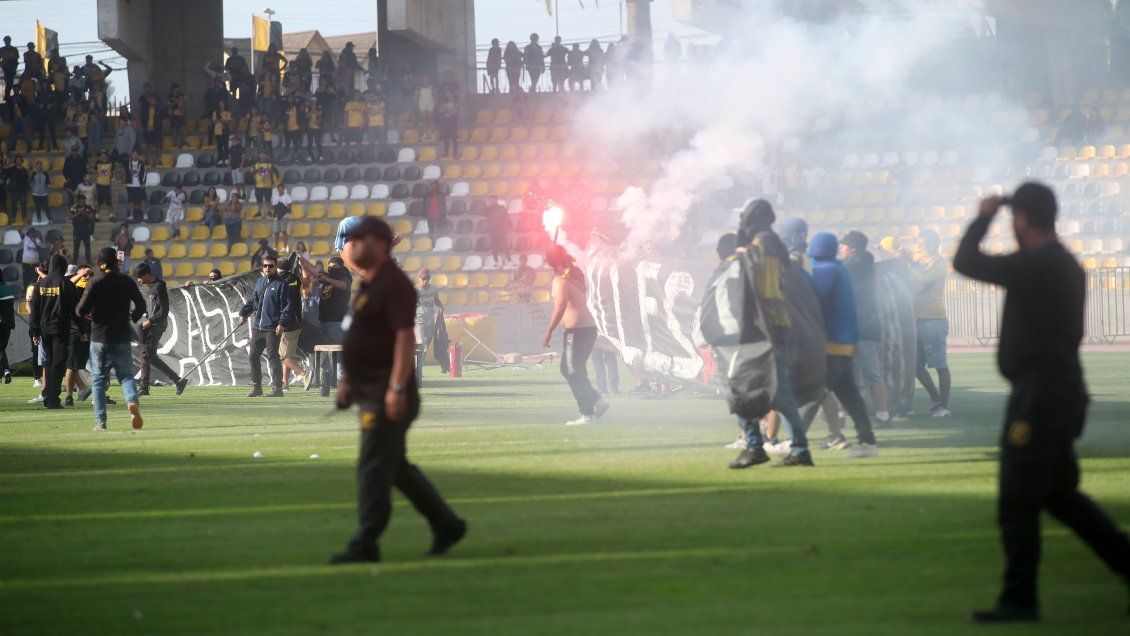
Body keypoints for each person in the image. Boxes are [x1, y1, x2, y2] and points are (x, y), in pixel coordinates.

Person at [954, 183, 1130, 623]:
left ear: (1021, 219)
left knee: (1018, 497)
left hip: (1041, 397)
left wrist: (982, 217)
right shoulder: (1060, 263)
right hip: (1057, 392)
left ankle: (1019, 600)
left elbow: (966, 261)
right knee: (1060, 496)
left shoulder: (1041, 264)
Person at [329, 216, 466, 564]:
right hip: (371, 387)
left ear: (378, 243)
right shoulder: (372, 283)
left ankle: (366, 542)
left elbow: (404, 338)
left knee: (373, 467)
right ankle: (446, 524)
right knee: (395, 468)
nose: (352, 246)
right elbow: (362, 336)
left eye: (359, 240)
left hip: (387, 391)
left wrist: (395, 388)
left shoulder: (394, 285)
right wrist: (348, 379)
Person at [729, 200, 813, 468]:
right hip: (774, 324)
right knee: (772, 391)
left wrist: (741, 254)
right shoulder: (772, 242)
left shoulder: (760, 244)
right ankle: (786, 447)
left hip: (763, 328)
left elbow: (750, 276)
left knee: (745, 388)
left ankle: (760, 446)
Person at [806, 232, 879, 458]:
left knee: (813, 393)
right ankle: (867, 442)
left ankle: (796, 443)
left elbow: (812, 294)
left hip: (832, 343)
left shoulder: (828, 269)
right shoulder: (840, 268)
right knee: (850, 396)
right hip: (844, 341)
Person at [75, 247, 145, 431]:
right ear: (117, 262)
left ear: (98, 263)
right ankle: (131, 402)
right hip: (121, 335)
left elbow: (80, 309)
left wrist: (92, 314)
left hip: (99, 337)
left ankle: (101, 422)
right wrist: (132, 317)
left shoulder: (95, 281)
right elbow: (141, 304)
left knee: (98, 380)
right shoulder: (126, 281)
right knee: (126, 376)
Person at [542, 245, 609, 426]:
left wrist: (549, 331)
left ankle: (588, 413)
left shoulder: (561, 280)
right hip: (586, 329)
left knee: (570, 370)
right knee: (574, 369)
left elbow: (561, 305)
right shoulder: (571, 276)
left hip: (576, 331)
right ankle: (597, 401)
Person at [838, 231, 890, 426]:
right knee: (863, 375)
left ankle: (881, 415)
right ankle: (878, 415)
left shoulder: (855, 264)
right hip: (860, 328)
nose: (840, 249)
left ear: (852, 248)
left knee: (869, 375)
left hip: (860, 329)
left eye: (842, 246)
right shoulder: (862, 263)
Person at [906, 229, 951, 417]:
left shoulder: (940, 264)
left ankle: (944, 406)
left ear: (933, 244)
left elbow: (924, 278)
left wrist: (907, 265)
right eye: (919, 243)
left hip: (934, 320)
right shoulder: (920, 262)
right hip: (918, 320)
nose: (919, 247)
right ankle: (936, 399)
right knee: (915, 366)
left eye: (923, 243)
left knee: (940, 365)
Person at [238, 254, 292, 398]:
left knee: (273, 356)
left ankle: (277, 388)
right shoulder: (260, 282)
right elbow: (252, 300)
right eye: (265, 266)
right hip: (258, 326)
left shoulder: (282, 284)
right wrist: (243, 313)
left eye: (271, 266)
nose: (267, 268)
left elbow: (287, 307)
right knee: (253, 356)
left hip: (272, 327)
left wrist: (282, 323)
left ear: (275, 267)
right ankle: (257, 387)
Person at [134, 262, 188, 396]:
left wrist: (150, 321)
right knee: (148, 356)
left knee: (146, 355)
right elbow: (152, 310)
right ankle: (177, 380)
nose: (139, 281)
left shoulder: (158, 287)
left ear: (146, 275)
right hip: (151, 325)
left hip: (157, 325)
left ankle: (145, 387)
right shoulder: (151, 287)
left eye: (140, 277)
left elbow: (164, 311)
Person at [29, 254, 75, 409]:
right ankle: (52, 397)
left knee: (48, 362)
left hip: (44, 329)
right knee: (59, 362)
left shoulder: (40, 284)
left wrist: (35, 332)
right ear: (63, 267)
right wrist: (82, 329)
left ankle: (47, 394)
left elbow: (34, 311)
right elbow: (76, 310)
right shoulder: (66, 284)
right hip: (61, 329)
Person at [275, 258, 307, 387]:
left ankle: (304, 374)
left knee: (283, 357)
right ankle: (285, 382)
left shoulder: (277, 281)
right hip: (297, 321)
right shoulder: (295, 279)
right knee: (288, 355)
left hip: (286, 324)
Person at [65, 264, 93, 406]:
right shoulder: (72, 288)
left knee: (73, 365)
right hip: (76, 331)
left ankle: (83, 390)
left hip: (87, 331)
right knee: (72, 365)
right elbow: (68, 285)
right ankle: (71, 395)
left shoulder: (91, 288)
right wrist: (81, 275)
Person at [484, 195, 511, 266]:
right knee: (494, 247)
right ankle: (496, 261)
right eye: (491, 200)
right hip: (492, 231)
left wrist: (508, 227)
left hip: (501, 229)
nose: (492, 202)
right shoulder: (488, 209)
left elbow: (507, 217)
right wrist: (487, 206)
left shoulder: (501, 208)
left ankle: (509, 260)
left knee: (504, 245)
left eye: (494, 200)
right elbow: (482, 213)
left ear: (496, 200)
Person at [69, 194, 96, 263]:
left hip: (86, 231)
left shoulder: (88, 207)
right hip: (77, 231)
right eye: (81, 201)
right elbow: (70, 217)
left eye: (83, 201)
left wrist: (85, 214)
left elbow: (92, 218)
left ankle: (89, 261)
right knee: (76, 248)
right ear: (78, 201)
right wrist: (78, 213)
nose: (82, 203)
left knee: (87, 248)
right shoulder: (74, 207)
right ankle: (74, 262)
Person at [124, 149, 146, 223]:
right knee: (131, 201)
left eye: (136, 154)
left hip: (139, 184)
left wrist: (143, 182)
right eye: (133, 154)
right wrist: (126, 182)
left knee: (143, 199)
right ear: (131, 155)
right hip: (131, 184)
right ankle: (131, 215)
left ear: (138, 155)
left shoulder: (141, 163)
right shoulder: (128, 163)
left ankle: (145, 214)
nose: (135, 155)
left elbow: (145, 173)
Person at [271, 182, 292, 252]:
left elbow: (289, 205)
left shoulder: (287, 196)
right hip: (276, 216)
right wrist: (277, 206)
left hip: (284, 216)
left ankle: (285, 247)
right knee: (276, 232)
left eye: (281, 189)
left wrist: (282, 207)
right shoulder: (276, 197)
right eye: (279, 189)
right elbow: (273, 206)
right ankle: (276, 247)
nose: (280, 190)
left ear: (283, 189)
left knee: (283, 231)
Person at [0, 277, 14, 384]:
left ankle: (5, 370)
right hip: (8, 324)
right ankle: (5, 370)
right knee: (1, 348)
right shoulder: (7, 288)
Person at [94, 150, 114, 219]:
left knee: (109, 202)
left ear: (106, 155)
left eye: (104, 154)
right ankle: (97, 216)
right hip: (99, 184)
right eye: (101, 154)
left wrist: (113, 178)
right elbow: (94, 170)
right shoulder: (97, 163)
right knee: (98, 201)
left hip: (107, 185)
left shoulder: (110, 163)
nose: (102, 155)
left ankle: (111, 216)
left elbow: (113, 171)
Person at [29, 160, 50, 225]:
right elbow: (30, 181)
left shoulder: (45, 173)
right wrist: (30, 175)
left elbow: (48, 182)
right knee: (37, 207)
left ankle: (50, 219)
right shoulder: (34, 173)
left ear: (42, 166)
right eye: (38, 166)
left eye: (40, 166)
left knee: (46, 207)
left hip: (44, 193)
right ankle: (39, 219)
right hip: (36, 193)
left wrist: (49, 185)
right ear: (36, 167)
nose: (39, 167)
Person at [0, 36, 19, 100]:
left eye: (8, 40)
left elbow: (16, 59)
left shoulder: (14, 49)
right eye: (6, 41)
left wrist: (14, 67)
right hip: (5, 68)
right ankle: (7, 95)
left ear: (10, 41)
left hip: (12, 68)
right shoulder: (2, 49)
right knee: (9, 81)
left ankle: (8, 95)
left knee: (10, 82)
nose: (7, 42)